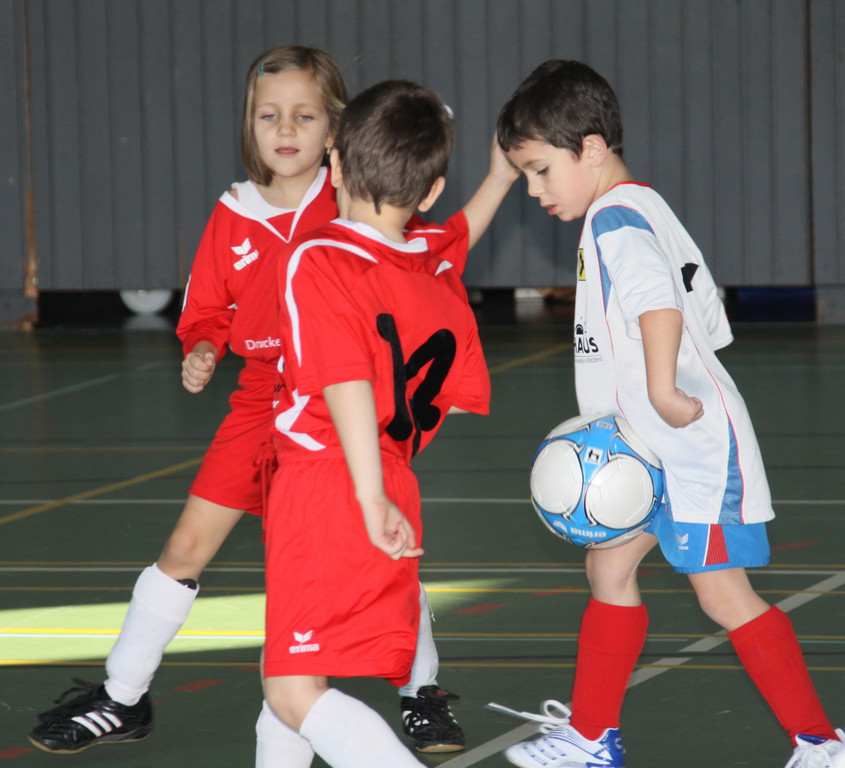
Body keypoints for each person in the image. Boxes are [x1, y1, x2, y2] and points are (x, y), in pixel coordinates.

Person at [26, 45, 513, 759]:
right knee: (189, 546)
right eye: (268, 116)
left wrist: (498, 177)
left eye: (304, 116)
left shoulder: (355, 201)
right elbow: (206, 310)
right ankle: (122, 695)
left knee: (372, 549)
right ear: (248, 124)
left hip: (331, 414)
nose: (285, 130)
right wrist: (202, 346)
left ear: (336, 138)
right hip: (263, 402)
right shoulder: (234, 214)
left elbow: (443, 244)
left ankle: (419, 690)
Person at [492, 59, 845, 768]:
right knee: (607, 570)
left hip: (689, 447)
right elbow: (705, 320)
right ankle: (593, 736)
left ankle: (821, 743)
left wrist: (659, 389)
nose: (533, 190)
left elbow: (659, 305)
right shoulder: (643, 207)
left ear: (591, 149)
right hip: (648, 449)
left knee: (722, 595)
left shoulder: (615, 219)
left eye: (540, 170)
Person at [260, 78, 492, 768]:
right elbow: (453, 397)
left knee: (293, 690)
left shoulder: (320, 257)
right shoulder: (435, 278)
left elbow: (346, 381)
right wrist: (382, 484)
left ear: (333, 163)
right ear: (432, 190)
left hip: (330, 483)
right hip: (393, 479)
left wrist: (365, 496)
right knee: (290, 675)